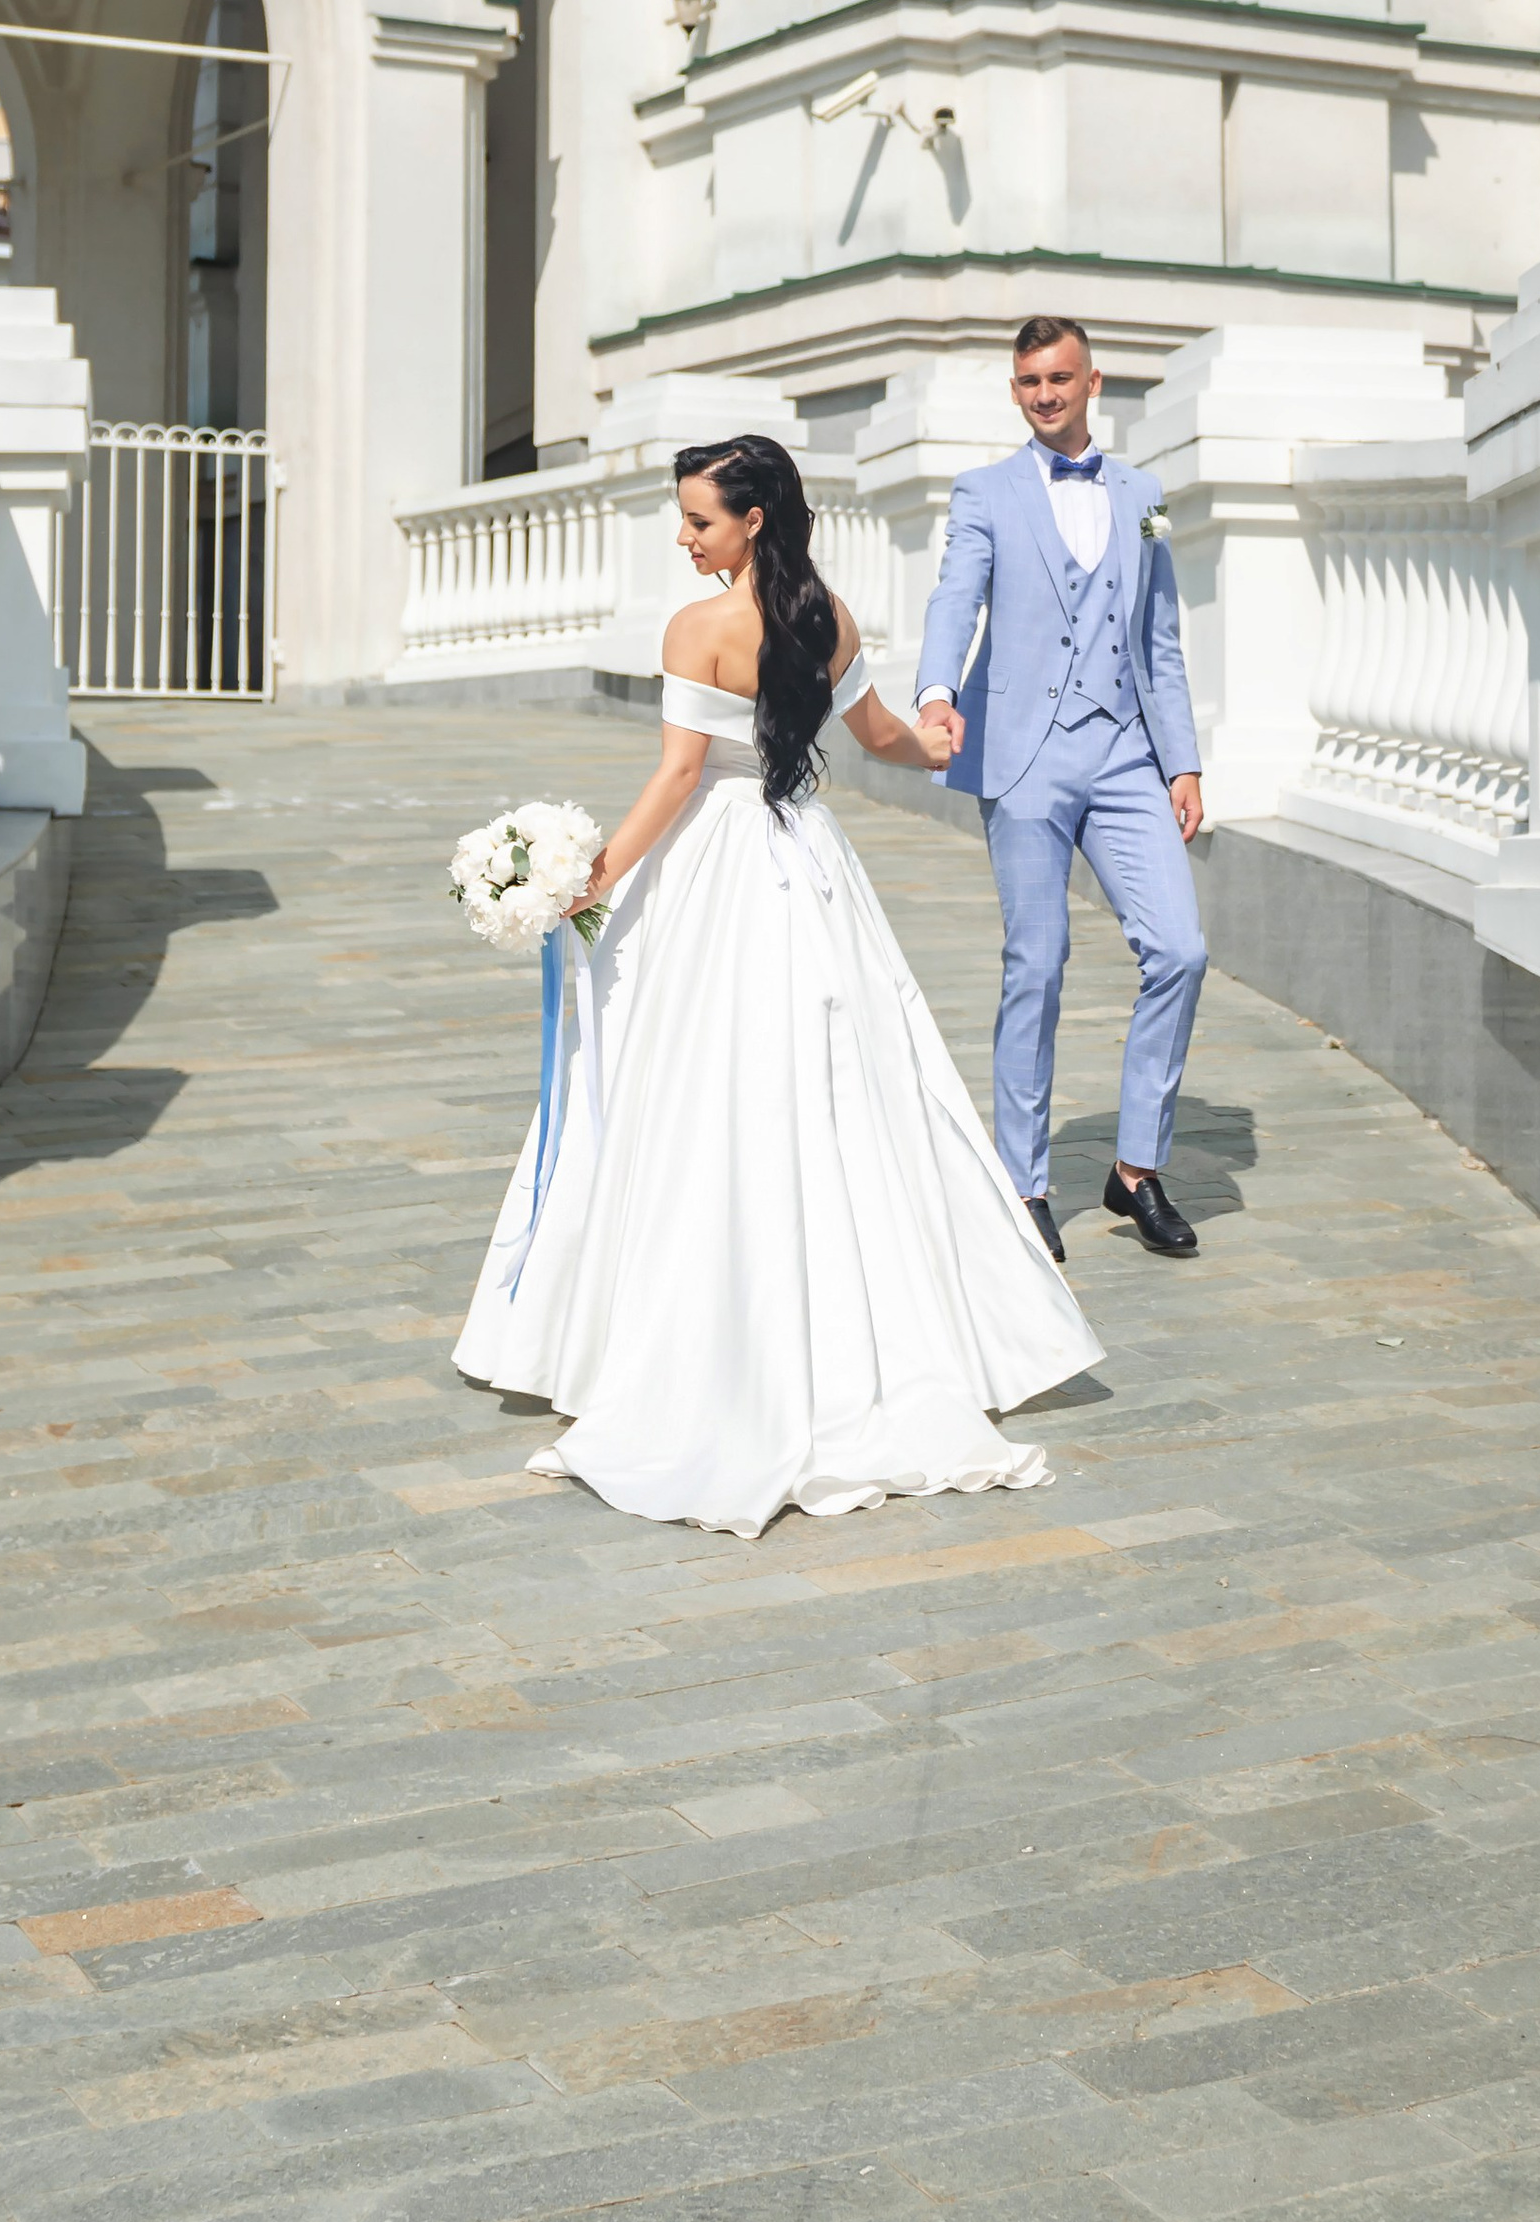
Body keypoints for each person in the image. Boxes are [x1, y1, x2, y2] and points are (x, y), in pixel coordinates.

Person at [455, 433, 1103, 1538]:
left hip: (712, 866)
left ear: (753, 519)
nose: (683, 534)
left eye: (699, 519)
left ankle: (661, 1345)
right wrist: (939, 742)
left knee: (679, 1086)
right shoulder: (827, 617)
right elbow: (882, 735)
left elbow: (674, 777)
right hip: (804, 862)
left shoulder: (697, 628)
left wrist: (586, 882)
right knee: (840, 1086)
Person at [916, 316, 1208, 1262]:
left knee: (1181, 947)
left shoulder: (1145, 496)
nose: (1044, 393)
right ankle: (1024, 1182)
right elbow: (955, 595)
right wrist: (936, 691)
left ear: (1093, 382)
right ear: (1017, 389)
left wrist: (1183, 760)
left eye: (1059, 377)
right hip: (1027, 753)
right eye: (1029, 380)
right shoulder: (985, 492)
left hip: (1126, 752)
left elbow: (1159, 636)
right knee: (1036, 964)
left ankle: (1135, 1173)